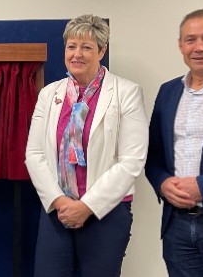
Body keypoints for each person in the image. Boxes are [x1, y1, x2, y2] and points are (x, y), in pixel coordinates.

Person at [25, 14, 148, 276]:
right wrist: (60, 202)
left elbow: (131, 161)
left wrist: (86, 207)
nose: (77, 54)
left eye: (87, 47)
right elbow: (34, 154)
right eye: (71, 46)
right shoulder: (49, 94)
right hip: (57, 211)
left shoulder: (126, 92)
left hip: (106, 212)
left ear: (102, 51)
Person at [145, 8, 203, 276]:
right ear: (180, 45)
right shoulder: (168, 91)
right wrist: (163, 182)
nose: (199, 47)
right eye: (190, 39)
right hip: (176, 229)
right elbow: (153, 157)